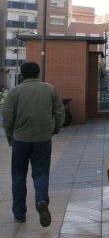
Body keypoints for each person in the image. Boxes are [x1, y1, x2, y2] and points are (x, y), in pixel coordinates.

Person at [2, 61, 65, 227]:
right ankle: (41, 201)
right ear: (38, 73)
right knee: (41, 173)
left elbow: (7, 117)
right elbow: (60, 112)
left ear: (22, 74)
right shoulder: (49, 89)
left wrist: (10, 137)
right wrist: (55, 129)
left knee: (18, 176)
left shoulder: (15, 91)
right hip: (43, 139)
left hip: (20, 140)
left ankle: (19, 213)